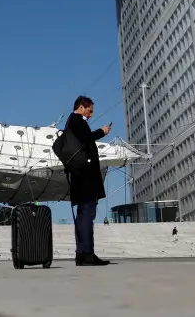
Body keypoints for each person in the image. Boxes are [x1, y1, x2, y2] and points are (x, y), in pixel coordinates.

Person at [64, 95, 111, 266]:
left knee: (85, 214)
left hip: (81, 177)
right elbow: (85, 139)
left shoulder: (74, 122)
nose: (90, 114)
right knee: (87, 214)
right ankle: (86, 254)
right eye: (89, 110)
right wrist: (101, 132)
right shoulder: (76, 120)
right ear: (82, 107)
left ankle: (83, 254)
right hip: (85, 177)